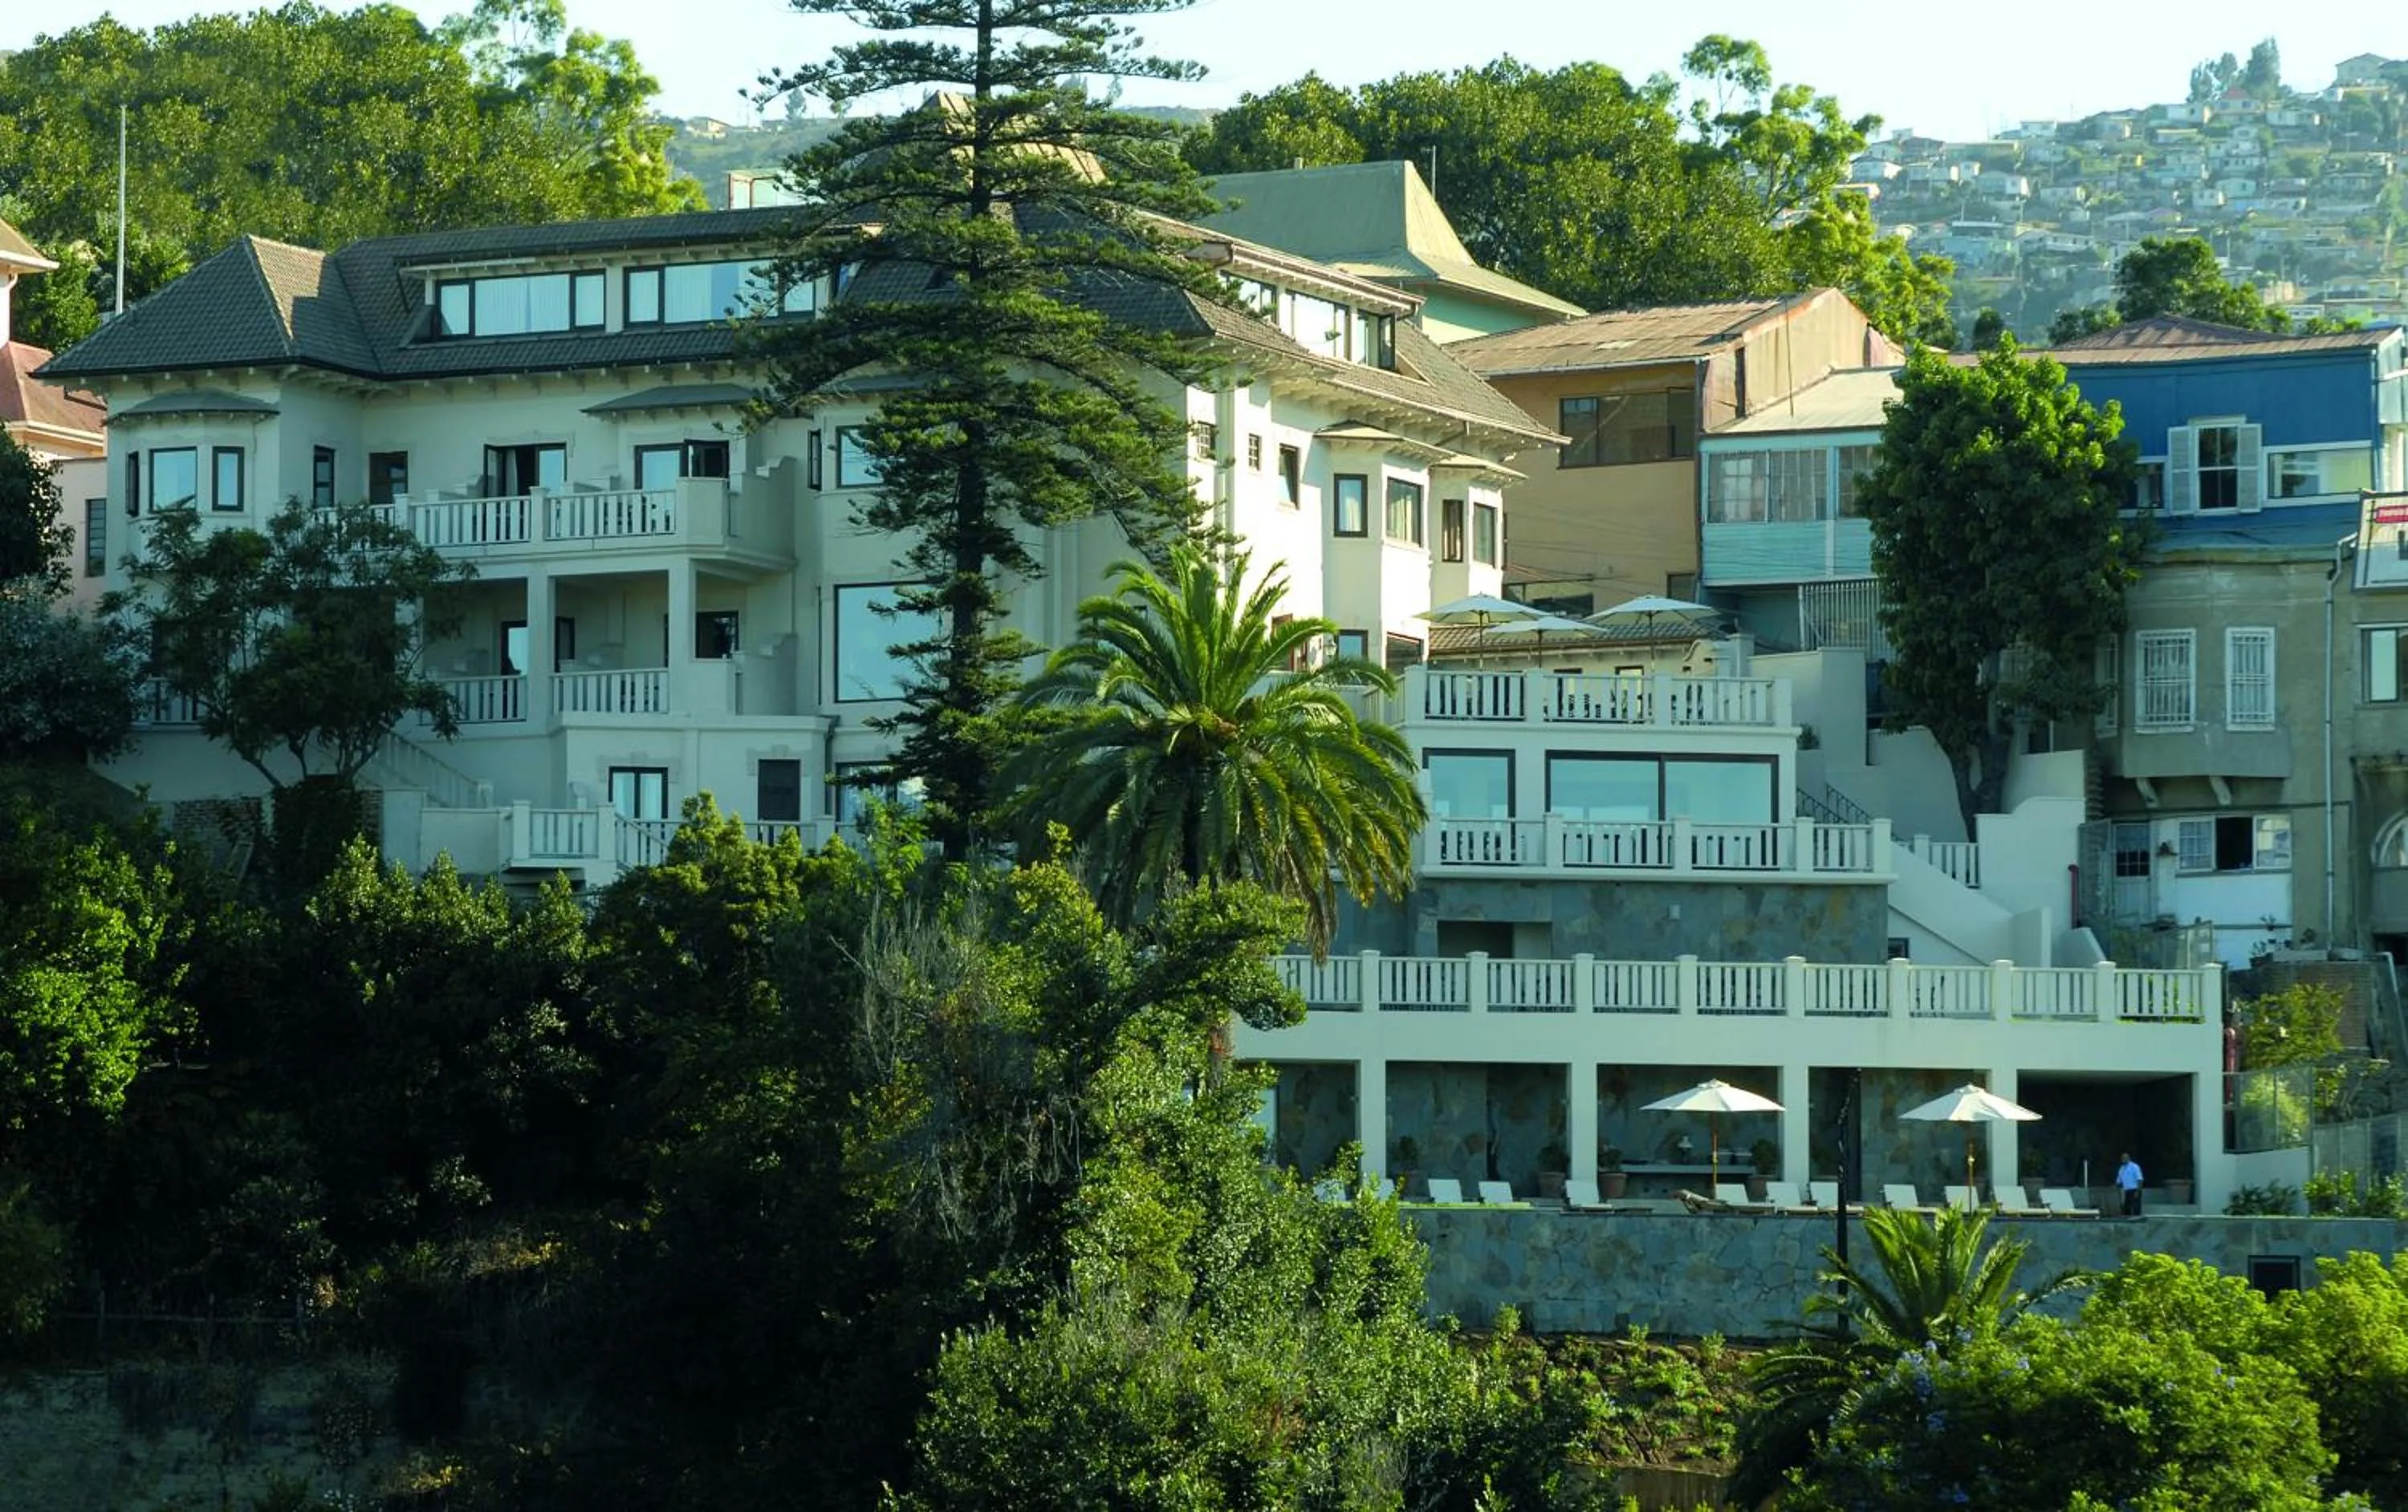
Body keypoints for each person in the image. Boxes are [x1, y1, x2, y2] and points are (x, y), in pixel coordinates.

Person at [2115, 1152, 2144, 1217]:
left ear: (2129, 1158)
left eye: (2125, 1158)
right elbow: (2118, 1181)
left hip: (2135, 1190)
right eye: (2122, 1158)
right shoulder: (2121, 1168)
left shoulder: (2134, 1167)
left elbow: (2140, 1179)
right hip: (2126, 1191)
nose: (2123, 1159)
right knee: (2126, 1208)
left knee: (2136, 1207)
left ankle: (2137, 1220)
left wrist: (2138, 1191)